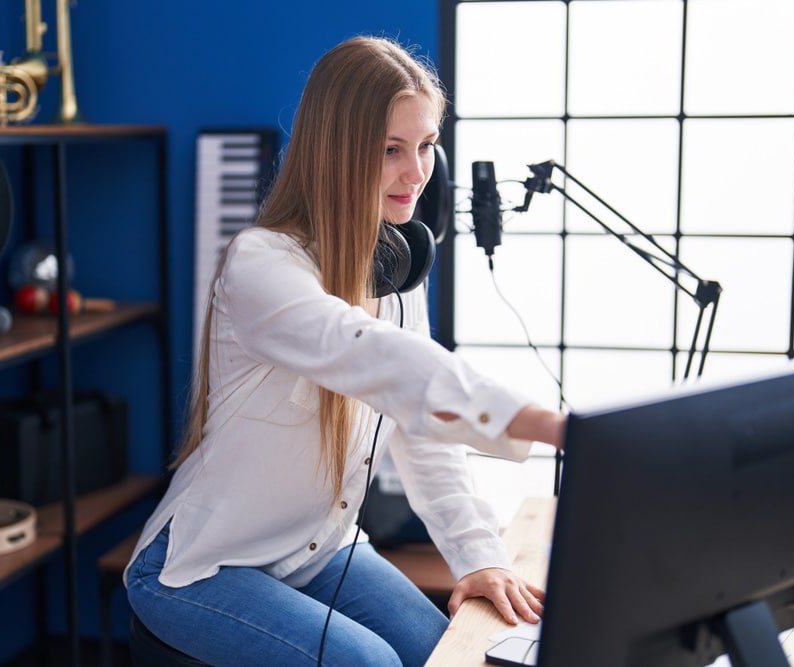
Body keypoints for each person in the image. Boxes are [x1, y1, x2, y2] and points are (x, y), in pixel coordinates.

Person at [124, 35, 567, 667]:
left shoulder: (395, 275)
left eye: (425, 146)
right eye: (391, 150)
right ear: (337, 152)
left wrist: (480, 557)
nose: (416, 173)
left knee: (462, 655)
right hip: (201, 567)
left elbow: (423, 431)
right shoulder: (262, 264)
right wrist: (548, 425)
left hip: (319, 549)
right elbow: (375, 356)